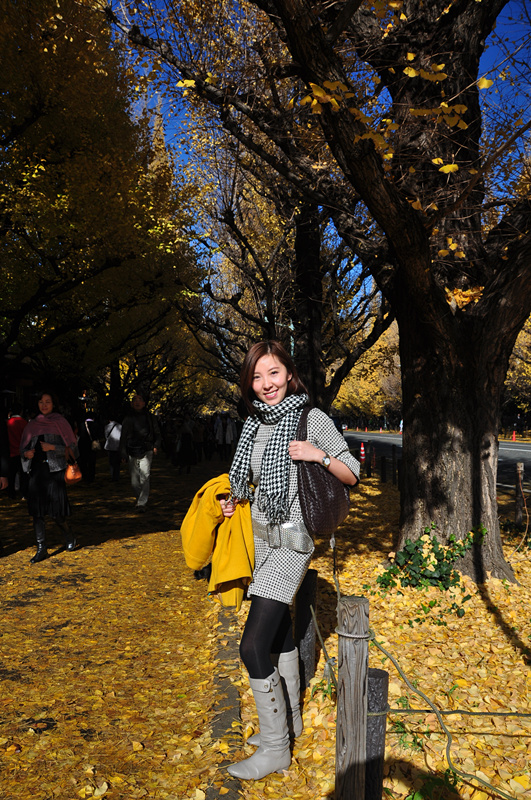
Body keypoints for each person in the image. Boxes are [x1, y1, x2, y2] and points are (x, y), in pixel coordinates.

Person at [220, 341, 359, 780]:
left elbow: (353, 472)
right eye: (257, 377)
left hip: (292, 545)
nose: (266, 384)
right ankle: (292, 720)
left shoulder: (311, 419)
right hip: (261, 543)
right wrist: (233, 501)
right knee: (278, 633)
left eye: (274, 373)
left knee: (251, 646)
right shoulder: (254, 425)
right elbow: (252, 484)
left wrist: (318, 454)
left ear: (289, 374)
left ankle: (276, 748)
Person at [20, 391, 79, 564]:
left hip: (55, 472)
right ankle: (41, 548)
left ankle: (69, 535)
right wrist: (26, 454)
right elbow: (22, 449)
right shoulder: (32, 425)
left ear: (54, 404)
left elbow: (73, 449)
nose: (44, 405)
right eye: (41, 402)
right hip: (37, 473)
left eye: (47, 401)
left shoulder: (61, 422)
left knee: (56, 512)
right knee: (37, 513)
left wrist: (53, 447)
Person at [119, 393, 161, 512]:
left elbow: (157, 433)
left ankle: (142, 503)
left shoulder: (150, 418)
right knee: (134, 480)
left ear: (144, 403)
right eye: (135, 400)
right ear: (132, 404)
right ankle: (139, 498)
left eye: (140, 399)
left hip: (147, 449)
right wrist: (123, 452)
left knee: (145, 476)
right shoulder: (128, 418)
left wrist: (156, 446)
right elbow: (123, 437)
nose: (137, 402)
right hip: (132, 449)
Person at [7, 403, 28, 499]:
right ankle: (24, 493)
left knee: (11, 474)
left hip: (11, 452)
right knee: (23, 474)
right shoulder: (24, 423)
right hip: (22, 452)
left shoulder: (8, 423)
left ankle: (11, 493)